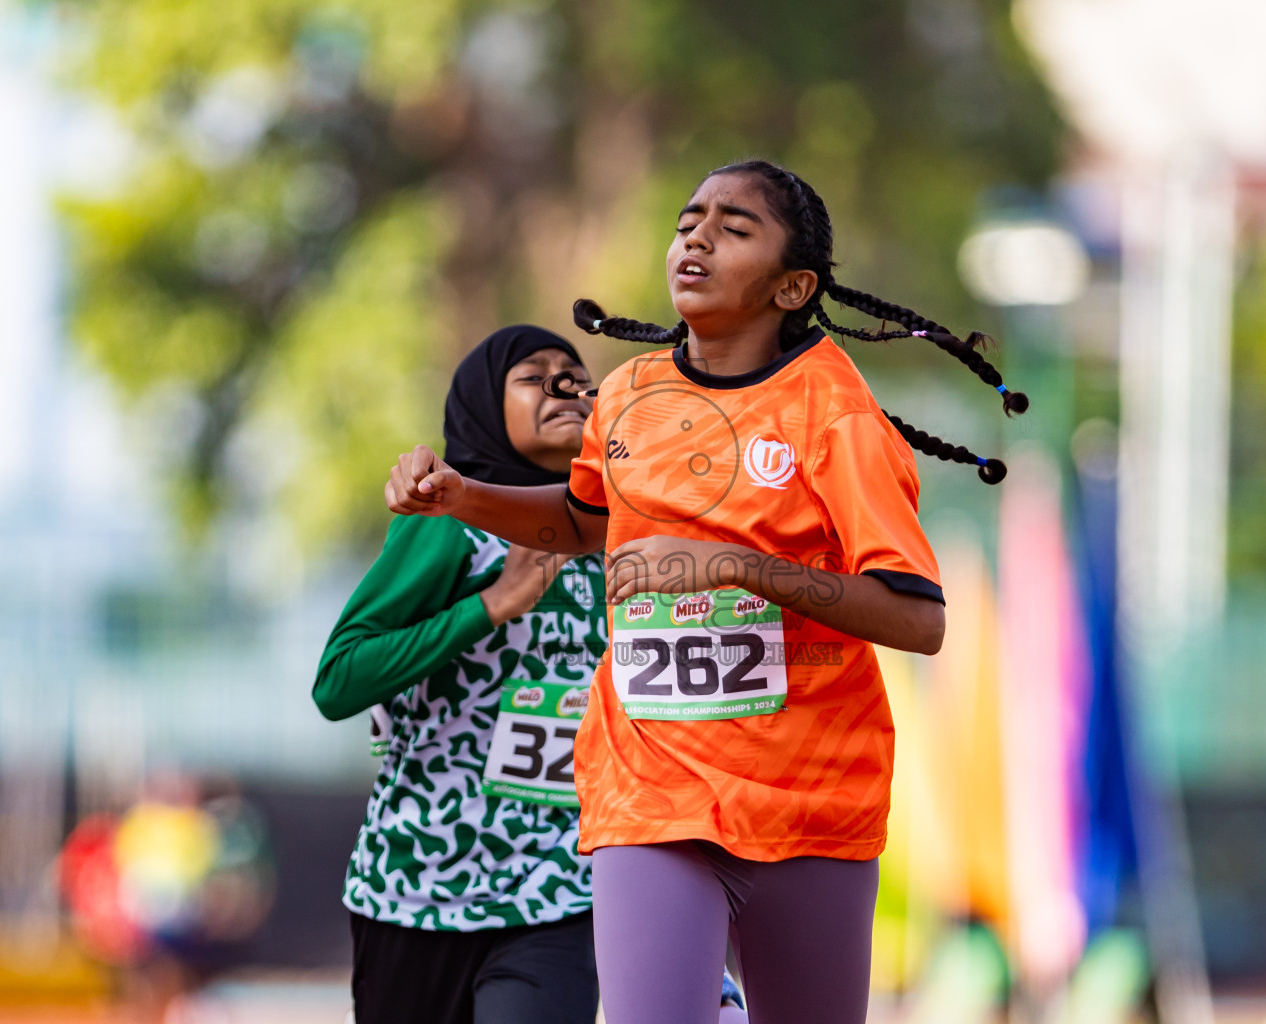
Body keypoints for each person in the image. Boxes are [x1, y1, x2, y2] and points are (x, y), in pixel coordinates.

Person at [383, 160, 1027, 1024]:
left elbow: (918, 619)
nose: (696, 236)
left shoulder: (836, 416)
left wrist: (736, 566)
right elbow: (584, 522)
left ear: (793, 285)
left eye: (735, 226)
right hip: (650, 789)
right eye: (690, 219)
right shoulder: (628, 394)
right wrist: (468, 496)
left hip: (809, 803)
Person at [314, 326, 607, 1024]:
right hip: (417, 886)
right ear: (483, 406)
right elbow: (339, 681)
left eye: (577, 374)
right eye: (536, 376)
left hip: (562, 890)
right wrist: (490, 606)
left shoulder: (620, 528)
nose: (566, 387)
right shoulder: (450, 523)